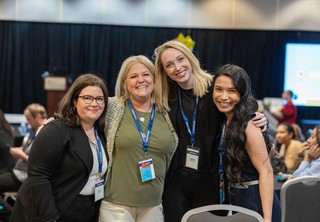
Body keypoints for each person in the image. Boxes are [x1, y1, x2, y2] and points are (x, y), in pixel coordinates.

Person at [153, 40, 268, 222]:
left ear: (190, 59)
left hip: (211, 180)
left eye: (180, 59)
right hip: (176, 180)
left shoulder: (215, 89)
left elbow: (243, 107)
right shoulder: (164, 96)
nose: (177, 67)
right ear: (164, 71)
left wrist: (261, 119)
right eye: (169, 65)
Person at [10, 74, 108, 222]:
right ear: (75, 101)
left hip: (83, 210)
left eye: (99, 99)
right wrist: (50, 217)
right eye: (87, 98)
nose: (94, 103)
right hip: (50, 211)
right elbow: (38, 176)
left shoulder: (101, 133)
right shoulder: (56, 129)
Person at [99, 55, 178, 222]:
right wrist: (50, 124)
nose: (140, 80)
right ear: (124, 83)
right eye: (133, 76)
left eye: (146, 74)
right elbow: (81, 111)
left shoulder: (167, 111)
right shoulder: (112, 107)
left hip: (154, 205)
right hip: (116, 205)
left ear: (155, 79)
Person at [212, 64, 281, 222]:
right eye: (218, 89)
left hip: (256, 200)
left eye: (231, 91)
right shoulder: (224, 120)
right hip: (238, 198)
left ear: (242, 94)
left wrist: (267, 218)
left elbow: (266, 171)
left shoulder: (249, 124)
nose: (223, 97)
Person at [0, 104, 47, 212]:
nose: (28, 122)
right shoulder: (32, 130)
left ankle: (9, 215)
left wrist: (21, 155)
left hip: (23, 176)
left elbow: (41, 163)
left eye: (29, 119)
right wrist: (19, 150)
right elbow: (25, 148)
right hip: (16, 169)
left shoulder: (45, 133)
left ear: (38, 117)